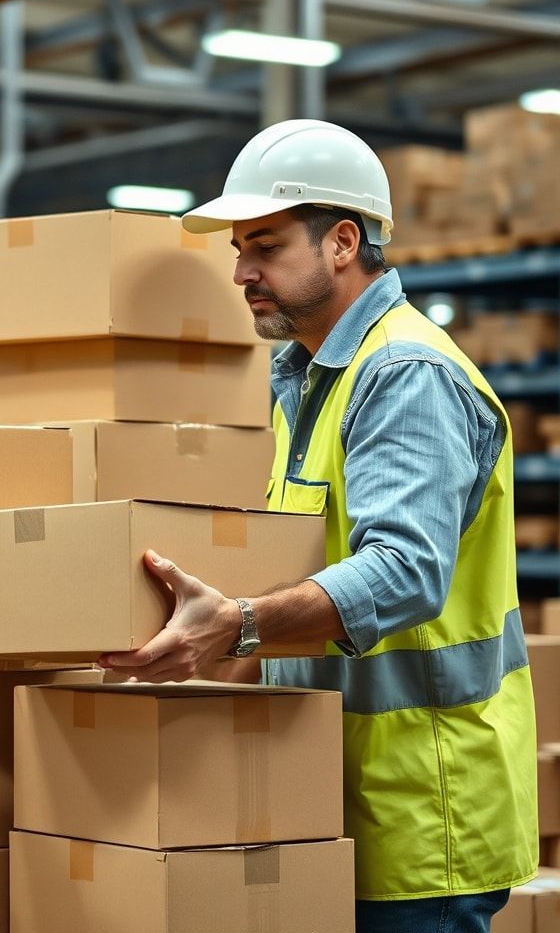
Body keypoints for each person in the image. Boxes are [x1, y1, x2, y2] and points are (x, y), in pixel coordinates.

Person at [99, 119, 538, 933]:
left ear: (343, 242)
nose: (241, 272)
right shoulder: (309, 380)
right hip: (327, 797)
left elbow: (403, 572)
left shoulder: (403, 373)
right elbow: (312, 566)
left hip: (420, 810)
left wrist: (238, 624)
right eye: (239, 250)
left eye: (265, 247)